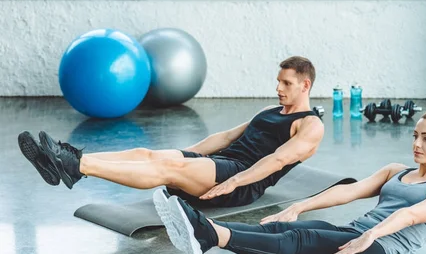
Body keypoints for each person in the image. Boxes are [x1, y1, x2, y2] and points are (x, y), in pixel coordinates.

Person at [154, 109, 426, 254]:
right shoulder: (396, 171)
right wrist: (299, 205)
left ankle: (208, 235)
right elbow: (349, 191)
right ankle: (204, 227)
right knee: (281, 227)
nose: (416, 143)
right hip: (353, 236)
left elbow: (410, 216)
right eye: (415, 135)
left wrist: (372, 234)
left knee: (302, 238)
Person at [18, 56, 324, 208]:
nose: (278, 88)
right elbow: (227, 137)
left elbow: (277, 161)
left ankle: (75, 166)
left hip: (241, 181)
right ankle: (69, 160)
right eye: (278, 81)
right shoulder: (269, 111)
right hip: (221, 163)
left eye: (286, 83)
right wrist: (187, 153)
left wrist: (234, 181)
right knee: (149, 154)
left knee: (167, 167)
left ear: (305, 85)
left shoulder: (310, 125)